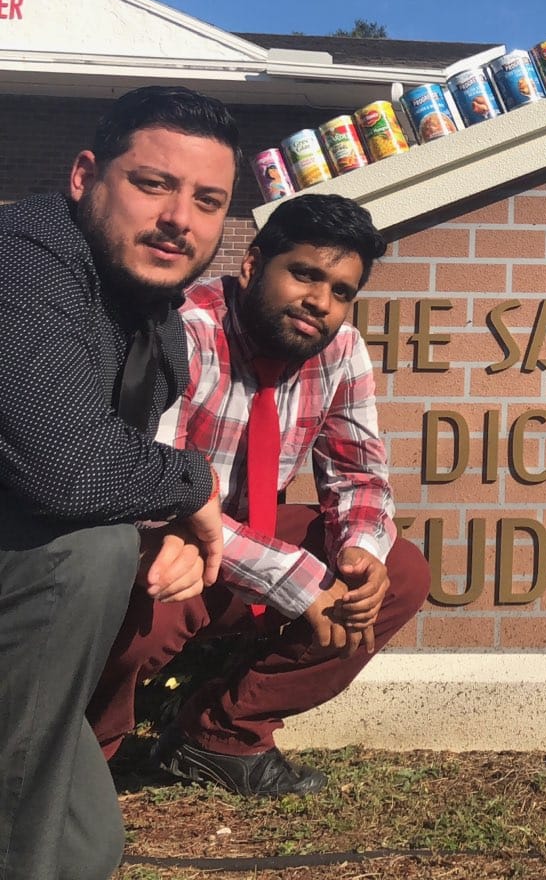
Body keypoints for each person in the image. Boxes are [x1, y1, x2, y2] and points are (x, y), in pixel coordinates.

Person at [88, 193, 429, 797]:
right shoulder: (183, 331)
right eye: (305, 274)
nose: (321, 303)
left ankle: (221, 735)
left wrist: (360, 553)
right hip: (162, 536)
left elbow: (360, 475)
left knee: (398, 572)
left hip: (248, 540)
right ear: (252, 265)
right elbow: (151, 494)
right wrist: (303, 583)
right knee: (158, 579)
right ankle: (83, 753)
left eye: (342, 291)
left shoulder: (339, 348)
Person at [1, 86, 236, 880]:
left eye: (208, 200)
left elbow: (94, 470)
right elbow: (68, 466)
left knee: (85, 846)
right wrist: (192, 485)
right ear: (83, 177)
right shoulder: (21, 264)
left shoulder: (153, 319)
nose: (181, 218)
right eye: (153, 183)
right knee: (89, 554)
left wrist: (165, 515)